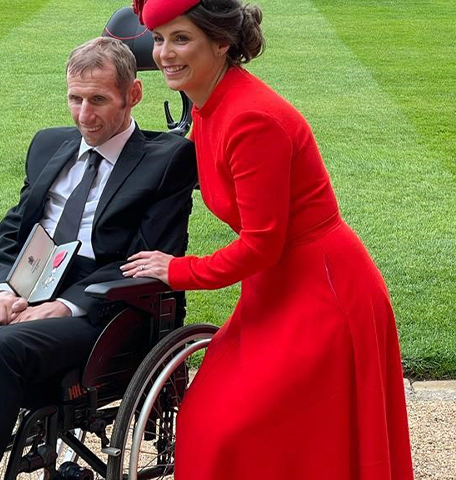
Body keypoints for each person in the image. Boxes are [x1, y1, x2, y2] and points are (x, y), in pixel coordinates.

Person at [0, 36, 197, 480]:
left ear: (133, 95)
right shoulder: (50, 146)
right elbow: (13, 231)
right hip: (28, 282)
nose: (85, 115)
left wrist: (64, 305)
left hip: (103, 305)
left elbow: (148, 257)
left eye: (99, 100)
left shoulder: (167, 160)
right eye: (75, 99)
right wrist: (4, 287)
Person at [123, 1, 414, 479]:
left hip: (323, 294)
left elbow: (261, 244)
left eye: (180, 38)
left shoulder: (251, 118)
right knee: (210, 418)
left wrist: (178, 269)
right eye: (158, 39)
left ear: (221, 43)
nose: (165, 54)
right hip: (275, 289)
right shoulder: (208, 105)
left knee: (258, 432)